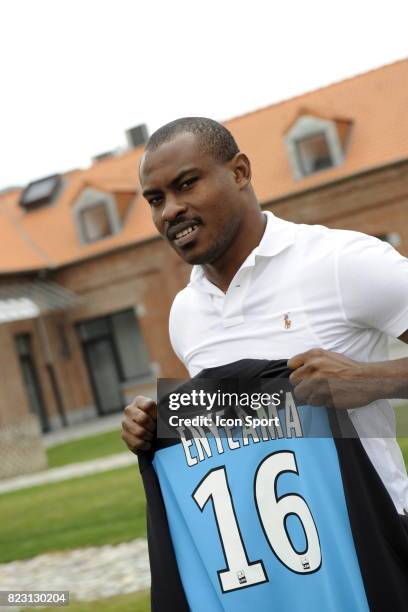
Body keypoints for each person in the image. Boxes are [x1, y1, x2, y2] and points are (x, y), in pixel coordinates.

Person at [121, 118, 408, 611]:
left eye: (186, 183)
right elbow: (241, 428)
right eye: (155, 199)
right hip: (274, 576)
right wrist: (150, 428)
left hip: (377, 547)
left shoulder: (342, 262)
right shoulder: (185, 315)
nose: (171, 210)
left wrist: (370, 381)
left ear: (239, 172)